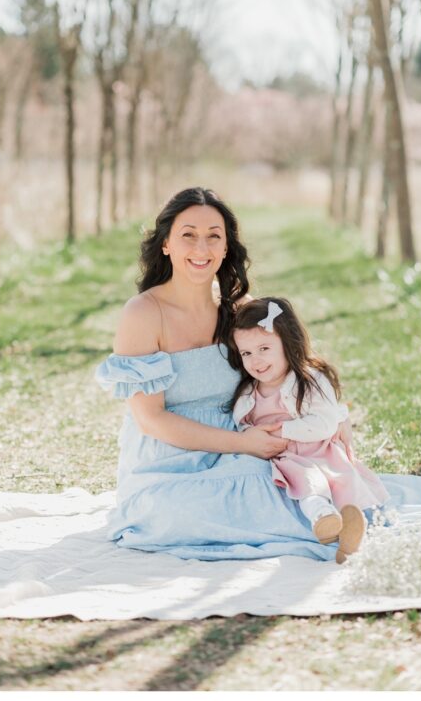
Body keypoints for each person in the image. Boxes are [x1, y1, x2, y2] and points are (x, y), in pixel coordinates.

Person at [95, 187, 351, 561]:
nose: (202, 249)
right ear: (166, 243)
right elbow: (151, 420)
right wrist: (242, 444)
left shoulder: (240, 310)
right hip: (169, 460)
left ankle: (337, 529)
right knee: (176, 513)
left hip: (243, 446)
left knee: (288, 483)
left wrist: (335, 415)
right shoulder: (143, 313)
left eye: (214, 236)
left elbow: (294, 364)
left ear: (227, 246)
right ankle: (320, 535)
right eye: (189, 235)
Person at [227, 297, 389, 563]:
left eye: (264, 348)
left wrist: (285, 431)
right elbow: (243, 425)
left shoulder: (310, 379)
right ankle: (324, 520)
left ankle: (354, 532)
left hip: (319, 450)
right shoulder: (248, 392)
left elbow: (324, 423)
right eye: (246, 353)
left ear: (287, 342)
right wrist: (250, 436)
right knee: (307, 485)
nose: (255, 361)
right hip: (286, 458)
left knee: (344, 486)